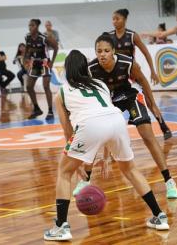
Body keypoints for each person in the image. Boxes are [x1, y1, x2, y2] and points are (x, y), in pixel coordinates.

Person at [43, 50, 169, 241]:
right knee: (130, 169)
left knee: (64, 172)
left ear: (67, 70)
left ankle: (61, 226)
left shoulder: (61, 92)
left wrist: (75, 165)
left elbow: (68, 131)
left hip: (89, 124)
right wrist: (106, 154)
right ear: (86, 68)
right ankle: (159, 216)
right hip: (117, 121)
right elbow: (106, 117)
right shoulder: (100, 84)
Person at [73, 34, 177, 199]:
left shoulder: (127, 63)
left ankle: (169, 181)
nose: (102, 54)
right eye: (99, 51)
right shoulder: (91, 69)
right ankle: (85, 180)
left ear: (113, 51)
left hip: (130, 97)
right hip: (109, 101)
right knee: (94, 136)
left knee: (147, 136)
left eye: (106, 51)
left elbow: (143, 81)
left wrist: (153, 106)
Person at [109, 9, 172, 140]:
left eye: (117, 19)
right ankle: (112, 134)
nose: (114, 21)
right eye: (113, 19)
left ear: (124, 20)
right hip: (116, 76)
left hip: (132, 73)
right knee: (111, 104)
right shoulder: (109, 36)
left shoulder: (132, 35)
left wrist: (153, 71)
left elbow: (146, 53)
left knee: (149, 101)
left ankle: (163, 126)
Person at [25, 19, 58, 120]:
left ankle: (50, 111)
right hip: (35, 63)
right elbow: (27, 49)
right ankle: (36, 109)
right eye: (29, 25)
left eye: (32, 25)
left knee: (46, 86)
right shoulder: (27, 37)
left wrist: (51, 62)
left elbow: (56, 47)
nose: (30, 27)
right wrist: (25, 61)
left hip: (44, 62)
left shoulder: (44, 38)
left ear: (37, 26)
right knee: (29, 87)